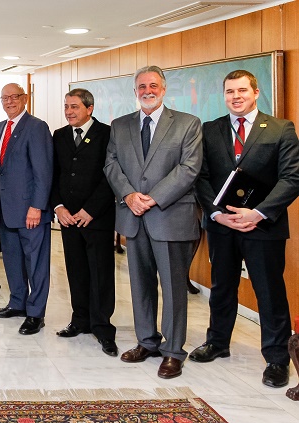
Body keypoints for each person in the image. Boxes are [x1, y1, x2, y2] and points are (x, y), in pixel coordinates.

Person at [191, 70, 299, 388]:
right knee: (222, 288)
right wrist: (215, 214)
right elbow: (202, 177)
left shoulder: (280, 128)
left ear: (255, 91)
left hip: (263, 228)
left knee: (269, 292)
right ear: (223, 95)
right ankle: (217, 343)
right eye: (229, 92)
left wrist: (259, 213)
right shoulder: (210, 130)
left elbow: (291, 178)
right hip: (223, 227)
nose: (235, 96)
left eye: (241, 90)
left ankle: (278, 358)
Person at [104, 65, 202, 379]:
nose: (148, 90)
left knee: (173, 288)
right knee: (140, 285)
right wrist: (129, 195)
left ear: (163, 88)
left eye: (153, 85)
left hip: (169, 216)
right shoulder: (120, 125)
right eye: (142, 86)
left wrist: (153, 197)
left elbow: (189, 168)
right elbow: (111, 164)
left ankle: (173, 351)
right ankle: (147, 341)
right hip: (133, 216)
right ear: (135, 91)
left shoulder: (187, 124)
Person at [51, 88, 117, 356]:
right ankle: (79, 320)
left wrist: (90, 210)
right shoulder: (60, 135)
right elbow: (53, 174)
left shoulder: (107, 134)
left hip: (96, 218)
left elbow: (110, 176)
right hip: (68, 219)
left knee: (100, 273)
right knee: (75, 270)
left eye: (74, 107)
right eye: (66, 106)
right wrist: (58, 207)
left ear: (89, 108)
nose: (69, 112)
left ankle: (102, 327)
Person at [0, 83, 53, 335]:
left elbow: (43, 171)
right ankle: (18, 303)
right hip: (6, 210)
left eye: (14, 97)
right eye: (4, 98)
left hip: (30, 212)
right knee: (13, 261)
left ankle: (36, 313)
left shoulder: (36, 127)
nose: (9, 102)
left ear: (24, 98)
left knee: (36, 263)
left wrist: (37, 206)